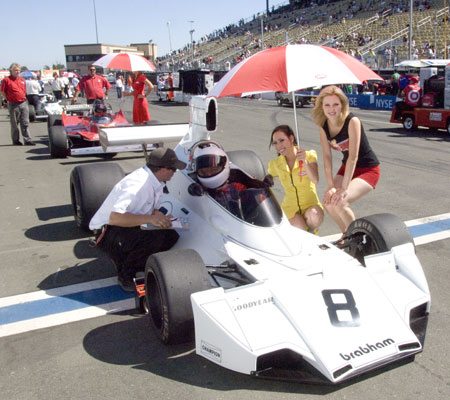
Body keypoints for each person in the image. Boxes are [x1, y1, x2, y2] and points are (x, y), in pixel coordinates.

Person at [89, 147, 187, 291]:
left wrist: (160, 217)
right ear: (163, 169)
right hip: (107, 231)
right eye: (173, 169)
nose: (175, 172)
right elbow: (114, 217)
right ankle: (125, 274)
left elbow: (150, 208)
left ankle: (137, 263)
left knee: (170, 236)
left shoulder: (156, 181)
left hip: (125, 223)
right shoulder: (136, 184)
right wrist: (150, 219)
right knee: (154, 238)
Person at [312, 86, 380, 235]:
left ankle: (356, 238)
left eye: (335, 104)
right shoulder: (323, 125)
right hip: (347, 168)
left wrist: (343, 188)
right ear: (321, 106)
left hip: (368, 169)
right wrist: (330, 186)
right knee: (329, 201)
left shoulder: (352, 121)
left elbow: (353, 157)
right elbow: (327, 157)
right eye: (327, 105)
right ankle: (346, 235)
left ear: (342, 104)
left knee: (340, 202)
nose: (331, 109)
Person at [267, 125, 323, 232]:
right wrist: (265, 181)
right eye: (275, 143)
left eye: (282, 140)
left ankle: (310, 232)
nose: (279, 146)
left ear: (291, 138)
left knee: (315, 216)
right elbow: (267, 179)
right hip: (290, 208)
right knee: (299, 227)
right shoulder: (275, 164)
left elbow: (315, 179)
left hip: (310, 205)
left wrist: (304, 162)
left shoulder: (309, 155)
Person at [0, 62, 35, 146]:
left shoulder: (22, 80)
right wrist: (8, 99)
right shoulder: (6, 80)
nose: (17, 72)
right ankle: (16, 141)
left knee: (25, 122)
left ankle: (27, 140)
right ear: (11, 71)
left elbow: (24, 91)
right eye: (15, 70)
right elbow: (2, 91)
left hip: (23, 103)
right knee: (14, 124)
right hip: (13, 104)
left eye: (19, 70)